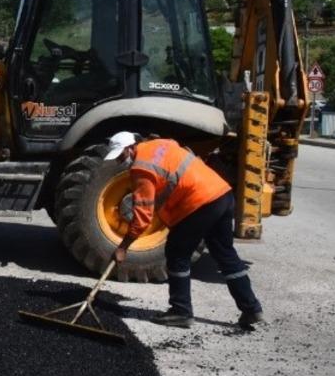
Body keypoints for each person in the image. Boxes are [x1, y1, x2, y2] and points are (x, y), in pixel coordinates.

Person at [107, 131, 264, 329]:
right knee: (225, 254)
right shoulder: (161, 142)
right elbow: (174, 146)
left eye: (120, 156)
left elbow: (142, 218)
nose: (119, 161)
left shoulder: (141, 169)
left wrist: (123, 247)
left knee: (176, 253)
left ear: (130, 148)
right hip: (221, 194)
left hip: (199, 203)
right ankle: (251, 309)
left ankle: (181, 312)